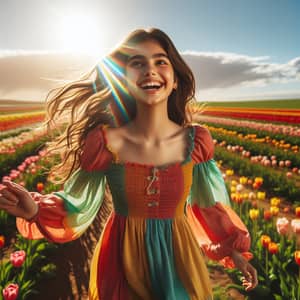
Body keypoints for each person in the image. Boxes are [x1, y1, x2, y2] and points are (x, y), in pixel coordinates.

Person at [0, 28, 257, 299]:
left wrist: (234, 251)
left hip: (179, 258)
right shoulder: (104, 142)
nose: (150, 70)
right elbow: (79, 203)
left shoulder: (196, 141)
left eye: (160, 61)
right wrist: (35, 211)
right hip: (121, 259)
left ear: (175, 80)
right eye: (137, 63)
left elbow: (206, 205)